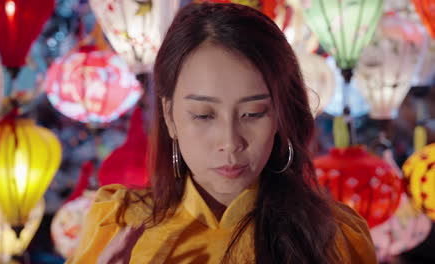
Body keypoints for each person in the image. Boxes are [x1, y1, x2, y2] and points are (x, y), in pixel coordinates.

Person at [66, 3, 377, 264]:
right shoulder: (118, 221)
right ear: (169, 116)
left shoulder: (332, 236)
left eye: (253, 114)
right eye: (203, 115)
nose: (230, 142)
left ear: (281, 116)